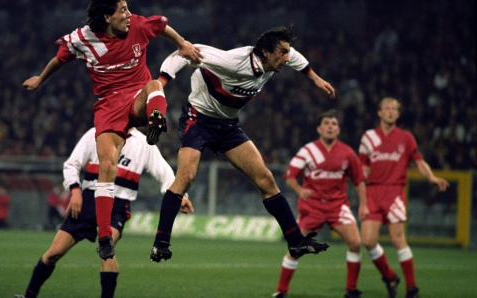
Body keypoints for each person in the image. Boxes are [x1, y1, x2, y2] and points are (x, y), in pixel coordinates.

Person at [22, 0, 202, 260]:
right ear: (107, 16)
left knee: (153, 85)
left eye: (128, 8)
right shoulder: (83, 38)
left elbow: (163, 26)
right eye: (123, 10)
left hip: (137, 97)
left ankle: (156, 121)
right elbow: (59, 59)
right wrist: (40, 79)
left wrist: (182, 43)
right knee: (107, 165)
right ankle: (104, 237)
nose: (129, 14)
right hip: (108, 106)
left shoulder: (137, 25)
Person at [150, 25, 334, 263]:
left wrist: (315, 78)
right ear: (265, 52)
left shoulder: (277, 59)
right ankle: (160, 243)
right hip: (199, 119)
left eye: (287, 52)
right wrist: (161, 84)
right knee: (185, 177)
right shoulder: (232, 62)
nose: (287, 58)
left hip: (227, 125)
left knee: (266, 179)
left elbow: (296, 57)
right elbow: (184, 52)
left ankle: (296, 242)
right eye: (282, 53)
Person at [16, 127, 193, 298]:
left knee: (106, 249)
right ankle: (29, 295)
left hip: (117, 204)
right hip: (88, 200)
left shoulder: (144, 143)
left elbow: (165, 173)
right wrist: (75, 190)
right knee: (54, 253)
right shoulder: (96, 132)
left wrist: (181, 196)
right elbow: (72, 164)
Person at [358, 97, 450, 298]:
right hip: (373, 192)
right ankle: (390, 276)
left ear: (398, 114)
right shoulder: (369, 137)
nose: (390, 111)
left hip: (395, 192)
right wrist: (362, 196)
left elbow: (419, 162)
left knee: (398, 239)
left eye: (394, 109)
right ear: (379, 112)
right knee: (368, 241)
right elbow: (362, 169)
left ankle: (412, 287)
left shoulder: (406, 137)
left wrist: (432, 177)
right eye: (387, 108)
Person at [272, 110, 369, 298]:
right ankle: (281, 292)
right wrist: (301, 191)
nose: (330, 126)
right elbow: (289, 176)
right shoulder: (308, 150)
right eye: (326, 123)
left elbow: (359, 180)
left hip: (338, 207)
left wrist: (364, 205)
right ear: (319, 128)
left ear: (338, 129)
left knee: (356, 243)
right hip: (312, 208)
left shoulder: (347, 152)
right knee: (295, 249)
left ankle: (351, 290)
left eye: (334, 123)